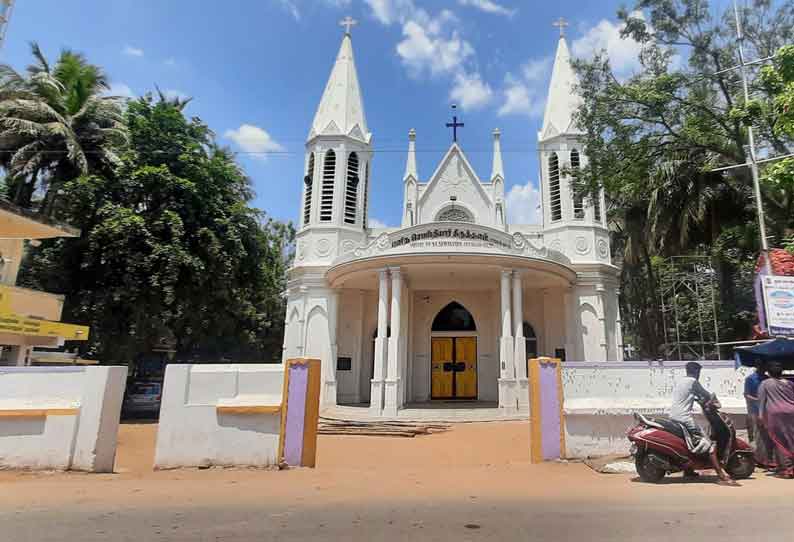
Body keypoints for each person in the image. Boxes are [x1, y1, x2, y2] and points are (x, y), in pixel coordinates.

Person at [670, 362, 736, 485]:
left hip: (674, 416)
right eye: (699, 372)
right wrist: (712, 401)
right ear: (696, 372)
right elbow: (706, 395)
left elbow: (689, 397)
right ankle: (722, 476)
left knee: (688, 442)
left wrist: (699, 400)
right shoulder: (693, 382)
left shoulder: (681, 382)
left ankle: (688, 470)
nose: (699, 374)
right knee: (709, 445)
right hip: (684, 417)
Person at [758, 361, 794, 479]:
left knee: (779, 440)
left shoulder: (765, 383)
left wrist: (760, 416)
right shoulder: (789, 383)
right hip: (792, 412)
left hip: (776, 414)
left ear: (768, 372)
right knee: (791, 439)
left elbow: (762, 401)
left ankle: (787, 470)